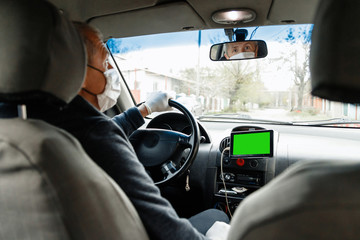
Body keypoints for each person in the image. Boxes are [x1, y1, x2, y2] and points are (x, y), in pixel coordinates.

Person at [3, 21, 228, 240]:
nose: (111, 70)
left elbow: (97, 133)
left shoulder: (24, 122)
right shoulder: (96, 134)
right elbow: (162, 224)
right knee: (217, 218)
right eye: (106, 62)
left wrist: (145, 109)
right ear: (75, 71)